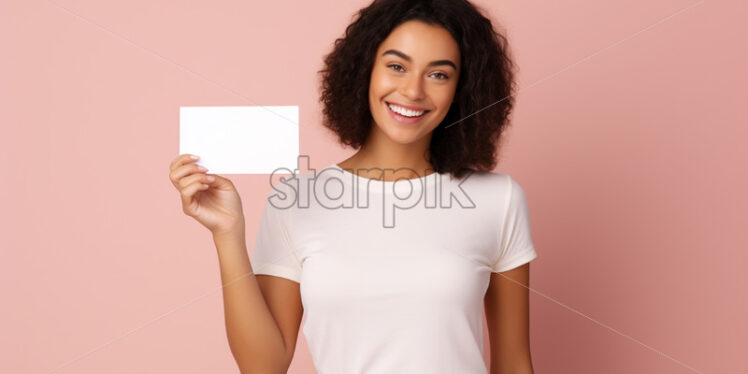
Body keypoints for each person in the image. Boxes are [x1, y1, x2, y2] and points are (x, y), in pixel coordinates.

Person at [168, 0, 537, 372]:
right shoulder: (295, 200)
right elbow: (264, 366)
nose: (413, 91)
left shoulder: (498, 199)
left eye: (438, 74)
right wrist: (227, 235)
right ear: (365, 71)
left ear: (462, 89)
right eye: (396, 66)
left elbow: (513, 363)